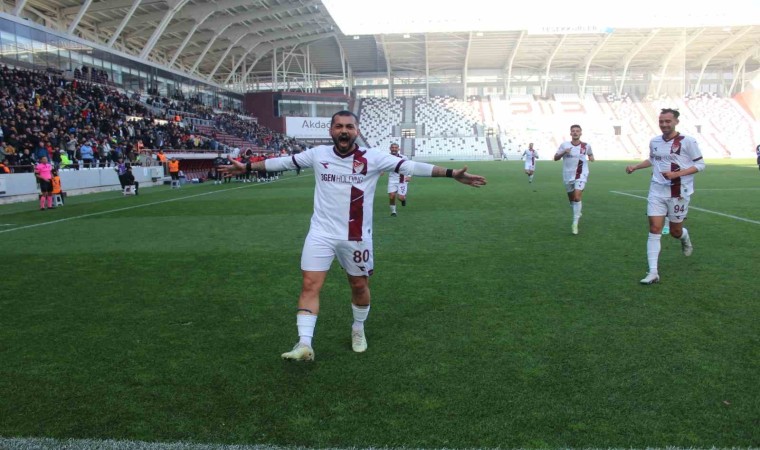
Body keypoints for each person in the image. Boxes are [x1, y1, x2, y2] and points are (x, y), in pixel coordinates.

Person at [220, 110, 487, 362]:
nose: (344, 131)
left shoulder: (374, 158)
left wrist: (452, 174)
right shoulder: (318, 154)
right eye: (339, 126)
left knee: (359, 286)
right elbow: (283, 162)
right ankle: (304, 344)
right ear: (331, 131)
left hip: (356, 236)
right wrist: (247, 167)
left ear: (357, 131)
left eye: (349, 127)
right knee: (310, 285)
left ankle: (358, 328)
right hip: (321, 234)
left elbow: (411, 166)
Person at [625, 108, 705, 285]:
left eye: (668, 121)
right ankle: (653, 272)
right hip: (656, 190)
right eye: (661, 121)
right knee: (655, 228)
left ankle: (684, 237)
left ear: (676, 122)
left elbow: (700, 165)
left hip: (679, 191)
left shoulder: (688, 141)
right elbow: (653, 160)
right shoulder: (654, 141)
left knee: (675, 232)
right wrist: (635, 167)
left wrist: (677, 174)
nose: (664, 124)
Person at [554, 124, 594, 235]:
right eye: (573, 131)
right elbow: (555, 158)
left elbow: (590, 154)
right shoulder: (564, 145)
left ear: (581, 133)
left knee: (577, 197)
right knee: (572, 200)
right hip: (568, 175)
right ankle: (577, 212)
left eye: (577, 131)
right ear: (570, 133)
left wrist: (591, 157)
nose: (575, 132)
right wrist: (564, 152)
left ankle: (575, 223)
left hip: (581, 174)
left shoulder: (586, 145)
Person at [386, 143, 410, 216]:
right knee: (392, 196)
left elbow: (409, 167)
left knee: (400, 198)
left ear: (398, 149)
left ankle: (403, 199)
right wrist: (380, 171)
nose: (394, 149)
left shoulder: (404, 157)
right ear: (390, 148)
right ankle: (393, 212)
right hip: (392, 179)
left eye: (395, 148)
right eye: (392, 147)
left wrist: (409, 176)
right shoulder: (386, 157)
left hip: (402, 180)